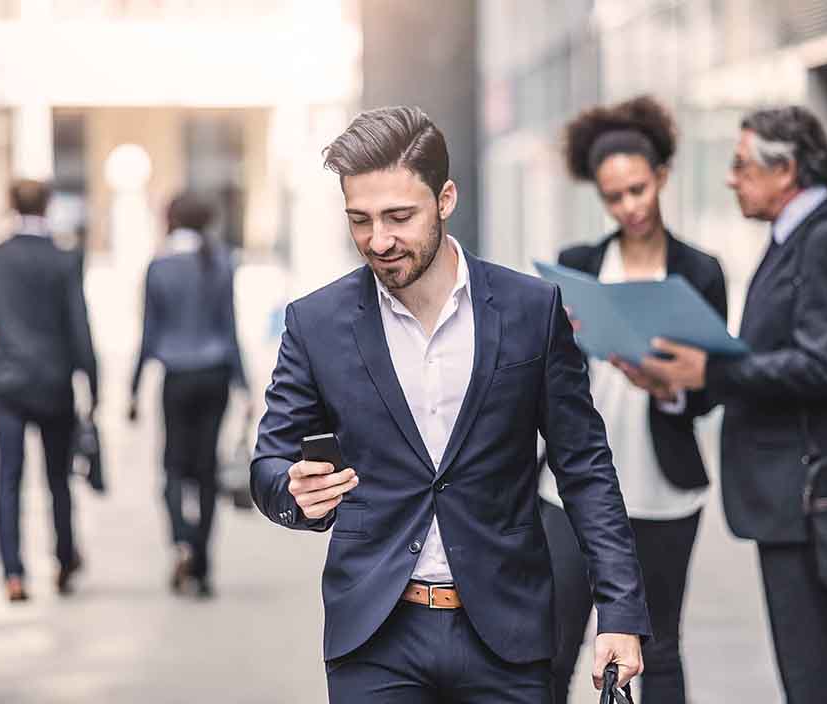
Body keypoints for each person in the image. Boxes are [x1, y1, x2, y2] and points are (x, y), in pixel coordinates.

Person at [250, 106, 651, 703]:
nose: (378, 241)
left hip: (506, 634)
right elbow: (268, 466)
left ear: (445, 199)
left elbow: (585, 467)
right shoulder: (315, 323)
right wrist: (293, 493)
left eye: (399, 217)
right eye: (359, 220)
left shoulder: (529, 310)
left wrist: (620, 610)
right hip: (376, 638)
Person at [641, 106, 827, 704]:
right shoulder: (798, 237)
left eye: (741, 164)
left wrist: (713, 369)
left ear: (787, 170)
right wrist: (687, 382)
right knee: (811, 666)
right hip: (792, 494)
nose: (731, 178)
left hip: (807, 495)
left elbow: (825, 364)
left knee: (816, 672)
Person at [540, 96, 726, 704]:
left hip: (663, 487)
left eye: (638, 190)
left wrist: (669, 388)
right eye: (614, 196)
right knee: (555, 642)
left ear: (662, 178)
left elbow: (711, 389)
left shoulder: (700, 271)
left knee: (659, 646)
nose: (629, 207)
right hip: (572, 487)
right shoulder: (578, 266)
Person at [0, 179, 98, 602]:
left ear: (10, 204)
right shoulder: (65, 259)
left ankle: (13, 574)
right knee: (58, 478)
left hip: (5, 384)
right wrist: (92, 383)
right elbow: (79, 325)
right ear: (48, 206)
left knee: (8, 478)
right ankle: (63, 561)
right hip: (55, 383)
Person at [129, 192, 248, 597]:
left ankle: (181, 538)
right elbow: (231, 328)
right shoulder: (221, 262)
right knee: (207, 469)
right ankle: (202, 561)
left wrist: (132, 388)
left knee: (174, 467)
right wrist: (244, 384)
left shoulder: (158, 268)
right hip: (215, 375)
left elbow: (148, 334)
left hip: (176, 376)